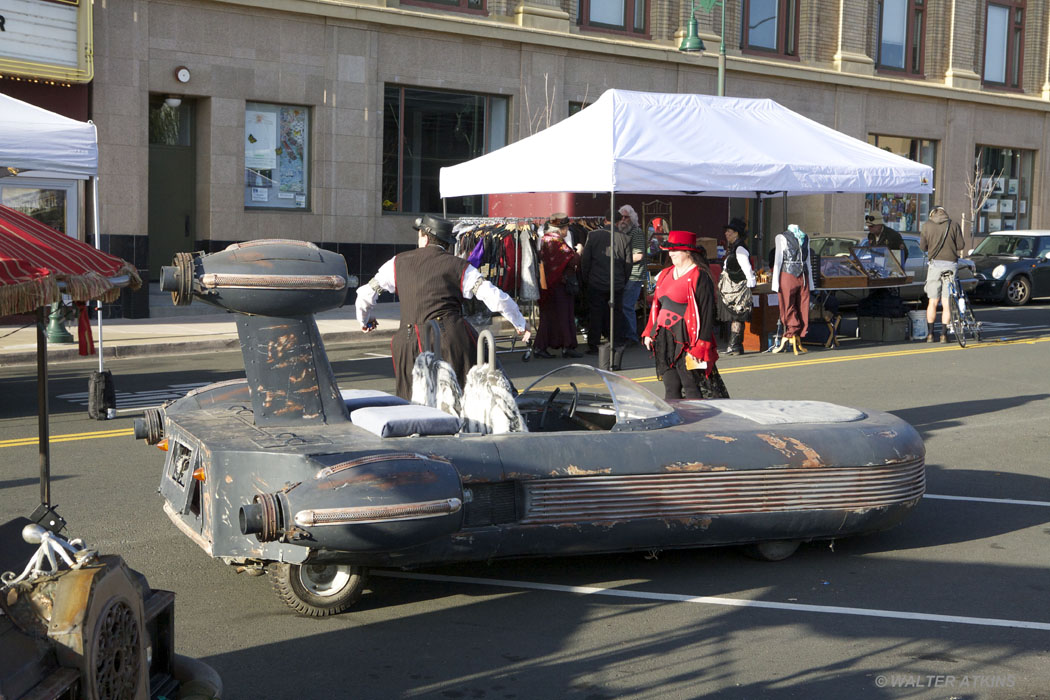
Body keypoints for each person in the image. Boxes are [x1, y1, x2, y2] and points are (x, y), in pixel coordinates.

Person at [356, 214, 530, 399]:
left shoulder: (396, 263)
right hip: (452, 340)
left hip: (409, 342)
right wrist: (519, 323)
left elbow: (364, 295)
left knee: (412, 403)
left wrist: (364, 320)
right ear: (447, 243)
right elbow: (496, 297)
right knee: (463, 396)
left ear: (424, 236)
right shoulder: (459, 266)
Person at [642, 230, 729, 400]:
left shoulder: (699, 275)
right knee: (671, 387)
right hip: (665, 337)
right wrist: (649, 332)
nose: (670, 253)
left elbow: (706, 313)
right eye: (669, 250)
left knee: (691, 387)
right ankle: (675, 425)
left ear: (688, 252)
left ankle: (695, 424)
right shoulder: (666, 273)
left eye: (675, 250)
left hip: (688, 339)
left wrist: (700, 346)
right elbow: (657, 306)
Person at [580, 212, 632, 355]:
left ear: (604, 220)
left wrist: (586, 278)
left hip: (596, 281)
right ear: (619, 220)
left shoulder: (593, 236)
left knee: (595, 313)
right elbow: (628, 264)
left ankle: (594, 344)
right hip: (617, 282)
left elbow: (586, 260)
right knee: (615, 313)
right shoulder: (625, 238)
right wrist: (623, 279)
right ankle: (615, 342)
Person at [534, 213, 583, 359]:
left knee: (549, 316)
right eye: (566, 226)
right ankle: (564, 346)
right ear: (561, 228)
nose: (567, 229)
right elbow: (572, 260)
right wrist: (579, 251)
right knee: (563, 315)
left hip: (548, 284)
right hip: (558, 284)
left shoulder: (544, 239)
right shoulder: (556, 241)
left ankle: (544, 346)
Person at [918, 206, 966, 343]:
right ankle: (944, 334)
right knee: (946, 302)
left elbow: (922, 247)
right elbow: (961, 245)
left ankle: (930, 334)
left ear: (931, 214)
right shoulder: (954, 225)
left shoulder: (927, 225)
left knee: (932, 301)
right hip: (951, 265)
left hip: (935, 265)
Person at [771, 224, 816, 355]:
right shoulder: (781, 237)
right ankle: (792, 328)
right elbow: (778, 260)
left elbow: (807, 261)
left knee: (803, 304)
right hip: (787, 273)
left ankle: (798, 330)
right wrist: (775, 283)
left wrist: (810, 282)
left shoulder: (805, 237)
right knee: (788, 304)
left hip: (803, 275)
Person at [717, 218, 756, 355]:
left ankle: (734, 345)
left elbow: (747, 267)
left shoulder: (740, 249)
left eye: (729, 231)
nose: (726, 233)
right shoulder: (735, 247)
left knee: (737, 314)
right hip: (733, 288)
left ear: (736, 233)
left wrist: (751, 283)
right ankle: (735, 346)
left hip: (738, 289)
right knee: (736, 316)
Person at [618, 204, 646, 344]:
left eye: (626, 217)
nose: (623, 220)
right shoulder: (622, 232)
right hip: (624, 275)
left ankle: (631, 336)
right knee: (623, 306)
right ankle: (626, 334)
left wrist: (618, 260)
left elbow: (638, 255)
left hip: (634, 275)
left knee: (627, 306)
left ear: (632, 218)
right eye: (621, 217)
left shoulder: (636, 232)